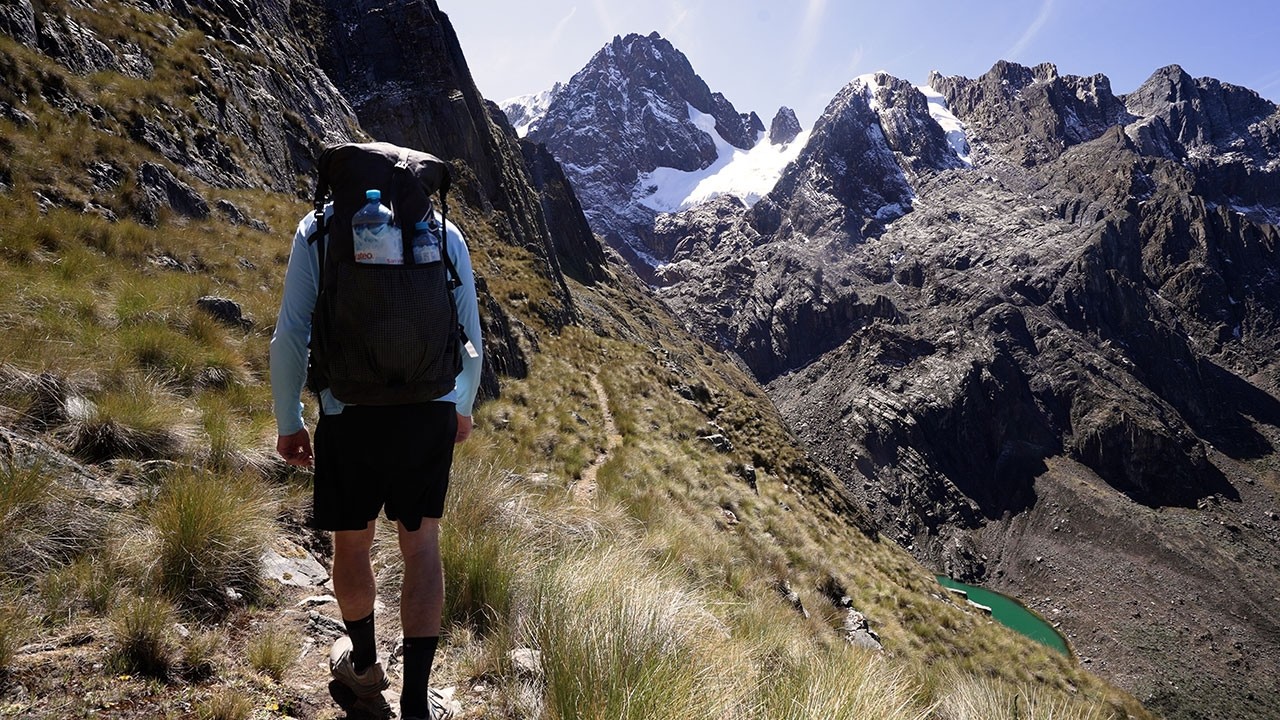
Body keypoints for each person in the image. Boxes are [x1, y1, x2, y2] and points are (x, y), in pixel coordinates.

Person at [270, 199, 483, 720]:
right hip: (428, 412)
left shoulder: (319, 229)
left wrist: (289, 418)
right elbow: (469, 335)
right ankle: (415, 703)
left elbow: (292, 332)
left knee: (352, 541)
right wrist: (461, 406)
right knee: (421, 546)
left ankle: (364, 669)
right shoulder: (439, 230)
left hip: (349, 414)